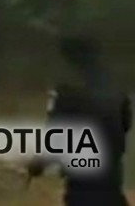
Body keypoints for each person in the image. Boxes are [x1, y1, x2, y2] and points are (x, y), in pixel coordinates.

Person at [28, 34, 131, 205]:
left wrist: (37, 166)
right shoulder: (117, 89)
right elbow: (125, 125)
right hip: (111, 182)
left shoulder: (67, 93)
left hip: (82, 186)